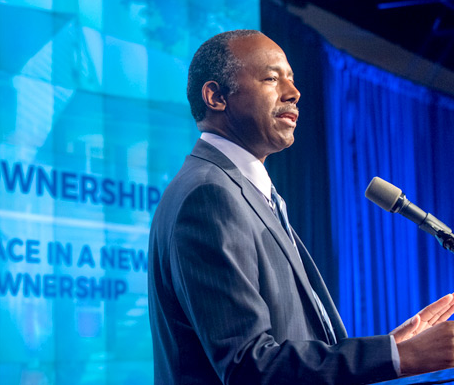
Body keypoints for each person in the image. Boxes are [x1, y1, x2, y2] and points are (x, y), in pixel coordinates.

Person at [147, 29, 454, 384]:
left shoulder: (243, 191)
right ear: (216, 96)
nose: (294, 94)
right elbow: (248, 366)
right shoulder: (210, 195)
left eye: (291, 80)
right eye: (272, 79)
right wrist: (401, 357)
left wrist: (387, 348)